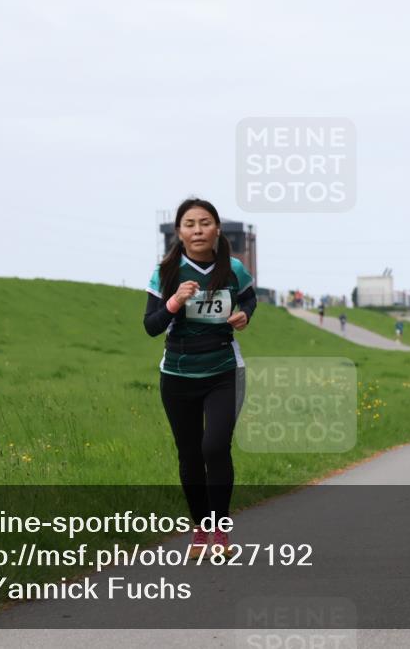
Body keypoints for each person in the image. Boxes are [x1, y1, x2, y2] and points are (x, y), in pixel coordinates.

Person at [144, 198, 257, 557]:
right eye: (190, 224)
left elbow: (249, 300)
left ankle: (220, 530)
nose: (197, 230)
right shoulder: (166, 272)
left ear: (217, 229)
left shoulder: (233, 269)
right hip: (178, 375)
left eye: (205, 223)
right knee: (190, 454)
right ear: (179, 231)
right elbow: (151, 326)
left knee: (215, 447)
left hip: (224, 371)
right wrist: (174, 302)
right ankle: (200, 527)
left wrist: (244, 315)